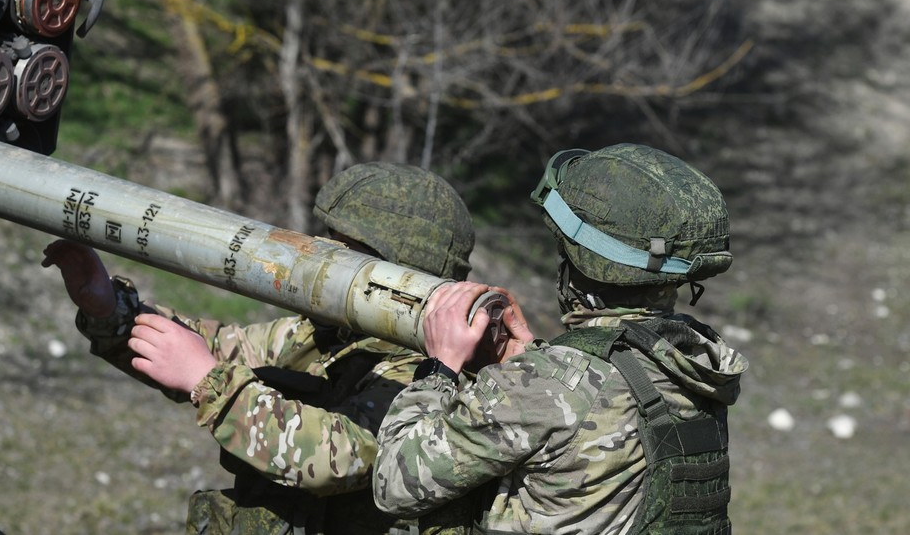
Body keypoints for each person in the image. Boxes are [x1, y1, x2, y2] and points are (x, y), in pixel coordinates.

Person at [42, 162, 477, 534]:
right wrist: (111, 310)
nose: (323, 258)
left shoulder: (432, 374)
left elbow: (338, 456)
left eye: (349, 252)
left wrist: (209, 381)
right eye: (328, 239)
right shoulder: (328, 335)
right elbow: (211, 348)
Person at [373, 143, 749, 534]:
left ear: (578, 263)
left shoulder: (548, 386)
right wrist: (529, 361)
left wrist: (439, 367)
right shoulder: (692, 358)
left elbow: (393, 485)